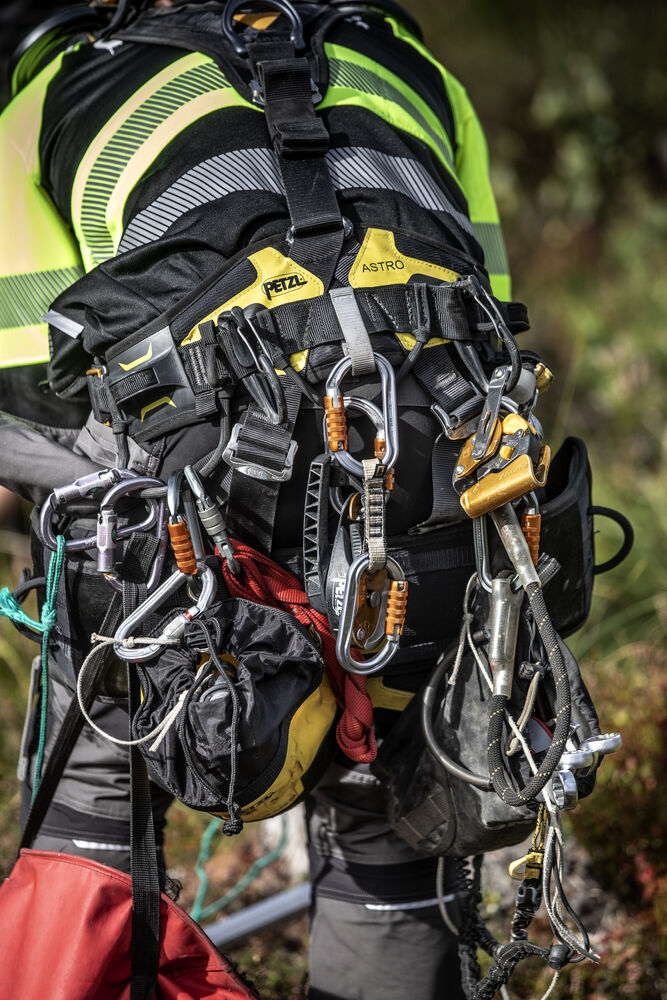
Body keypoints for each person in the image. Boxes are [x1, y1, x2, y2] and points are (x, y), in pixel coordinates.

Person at [0, 2, 514, 997]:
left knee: (94, 802)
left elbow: (39, 415)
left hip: (199, 504)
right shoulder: (405, 60)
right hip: (431, 481)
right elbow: (488, 313)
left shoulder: (45, 101)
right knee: (389, 827)